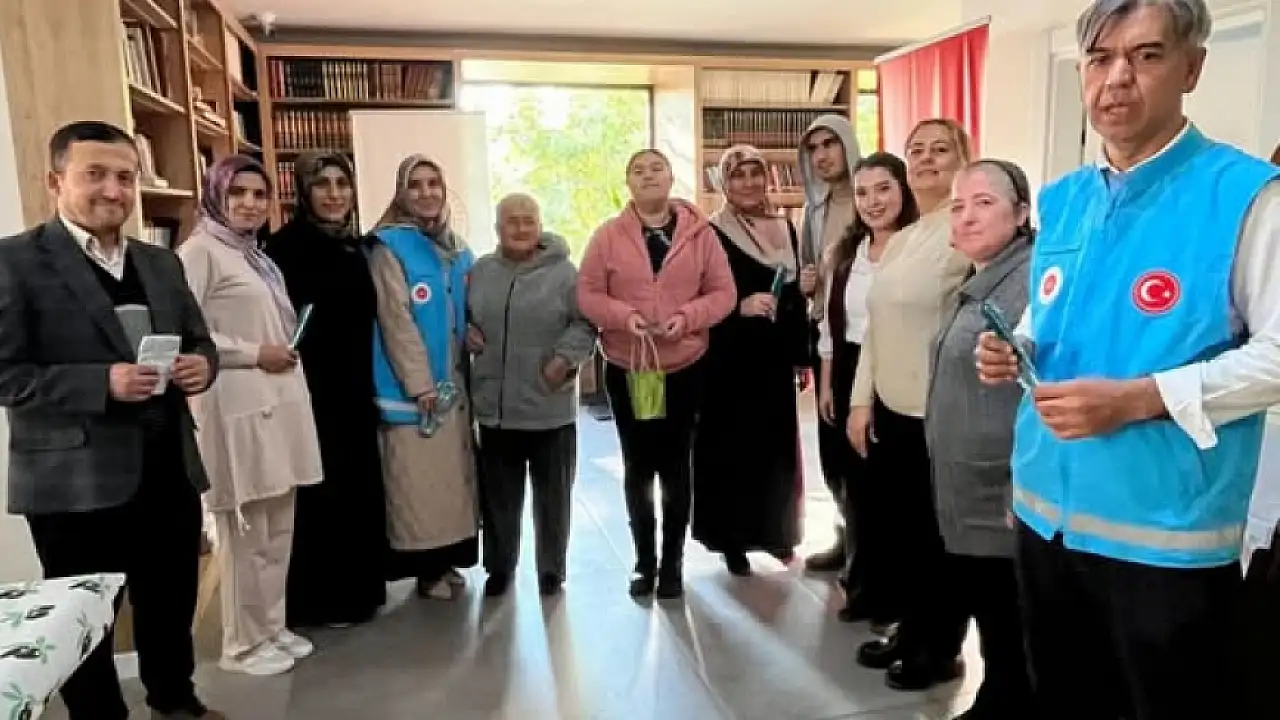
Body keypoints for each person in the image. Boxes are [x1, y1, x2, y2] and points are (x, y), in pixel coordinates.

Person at [975, 1, 1280, 718]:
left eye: (1145, 56)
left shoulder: (1246, 197)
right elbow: (1049, 314)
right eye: (1100, 58)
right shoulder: (1066, 197)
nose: (1116, 78)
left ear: (1191, 68)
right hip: (1046, 519)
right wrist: (1016, 346)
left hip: (1165, 536)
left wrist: (1140, 398)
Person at [0, 121, 221, 719]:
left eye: (125, 177)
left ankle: (175, 701)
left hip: (168, 467)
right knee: (86, 621)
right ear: (55, 182)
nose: (113, 190)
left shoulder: (161, 262)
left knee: (170, 601)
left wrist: (203, 365)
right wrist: (101, 383)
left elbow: (200, 340)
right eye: (94, 174)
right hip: (74, 483)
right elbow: (5, 374)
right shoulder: (13, 262)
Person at [177, 155, 324, 675]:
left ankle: (271, 627)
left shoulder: (254, 255)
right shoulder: (200, 252)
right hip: (234, 402)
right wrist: (254, 352)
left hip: (277, 402)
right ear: (216, 194)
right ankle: (241, 644)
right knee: (245, 534)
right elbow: (186, 331)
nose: (249, 203)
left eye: (260, 194)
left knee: (277, 528)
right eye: (237, 192)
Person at [847, 118, 973, 691]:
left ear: (964, 159)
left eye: (940, 149)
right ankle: (911, 629)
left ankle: (940, 649)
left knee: (936, 539)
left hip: (939, 412)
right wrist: (860, 401)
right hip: (892, 408)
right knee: (902, 532)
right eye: (916, 149)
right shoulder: (904, 237)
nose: (925, 158)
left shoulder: (966, 229)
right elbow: (874, 326)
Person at [578, 149, 736, 599]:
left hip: (684, 366)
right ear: (627, 183)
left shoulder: (701, 235)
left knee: (676, 466)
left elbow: (723, 292)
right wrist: (622, 316)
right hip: (629, 368)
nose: (647, 175)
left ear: (670, 178)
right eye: (638, 170)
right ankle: (643, 562)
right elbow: (587, 293)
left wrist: (687, 317)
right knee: (638, 466)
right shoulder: (607, 236)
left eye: (656, 168)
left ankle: (672, 564)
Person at [925, 160, 1036, 720]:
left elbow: (1039, 382)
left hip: (1001, 485)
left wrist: (1020, 481)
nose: (966, 216)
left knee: (1005, 609)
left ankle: (1006, 701)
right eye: (958, 205)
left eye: (984, 203)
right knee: (988, 600)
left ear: (1022, 214)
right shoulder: (980, 278)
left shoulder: (1030, 282)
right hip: (966, 478)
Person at [265, 151, 388, 629]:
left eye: (342, 183)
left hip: (354, 388)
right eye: (322, 184)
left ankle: (358, 594)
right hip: (310, 390)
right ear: (303, 191)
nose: (334, 194)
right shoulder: (284, 248)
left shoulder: (354, 246)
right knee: (320, 495)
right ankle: (319, 602)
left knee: (356, 490)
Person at [468, 193, 595, 598]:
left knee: (553, 498)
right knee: (499, 499)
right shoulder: (481, 271)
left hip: (548, 407)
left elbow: (586, 324)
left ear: (540, 226)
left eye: (529, 220)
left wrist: (564, 358)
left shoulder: (565, 274)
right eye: (512, 221)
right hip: (496, 409)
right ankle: (500, 566)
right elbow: (463, 317)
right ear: (497, 228)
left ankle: (551, 570)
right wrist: (465, 331)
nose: (521, 228)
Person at [693, 145, 811, 575]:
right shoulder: (711, 232)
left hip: (773, 359)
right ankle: (732, 540)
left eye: (755, 173)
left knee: (776, 450)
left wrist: (801, 355)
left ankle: (777, 535)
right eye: (737, 175)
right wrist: (738, 307)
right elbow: (697, 295)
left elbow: (793, 299)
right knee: (732, 449)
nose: (748, 183)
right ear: (724, 183)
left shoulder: (786, 228)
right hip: (729, 358)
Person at [815, 152, 920, 623]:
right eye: (862, 192)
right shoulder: (847, 253)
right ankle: (863, 586)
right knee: (854, 485)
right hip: (847, 367)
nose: (873, 201)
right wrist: (826, 384)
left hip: (898, 370)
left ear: (903, 190)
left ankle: (897, 596)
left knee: (892, 488)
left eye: (883, 189)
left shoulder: (918, 248)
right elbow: (829, 324)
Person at [370, 154, 480, 601]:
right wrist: (420, 383)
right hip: (413, 389)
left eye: (434, 183)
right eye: (415, 185)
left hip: (454, 383)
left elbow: (467, 306)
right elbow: (395, 320)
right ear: (401, 192)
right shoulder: (387, 247)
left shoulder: (456, 247)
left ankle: (446, 560)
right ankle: (426, 571)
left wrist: (475, 331)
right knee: (417, 486)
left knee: (450, 484)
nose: (426, 192)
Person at [798, 114, 862, 575]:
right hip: (825, 336)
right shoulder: (812, 210)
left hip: (863, 337)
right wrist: (808, 283)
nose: (822, 156)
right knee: (831, 447)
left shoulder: (873, 197)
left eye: (830, 144)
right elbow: (810, 270)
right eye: (813, 148)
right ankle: (845, 536)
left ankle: (867, 548)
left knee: (862, 447)